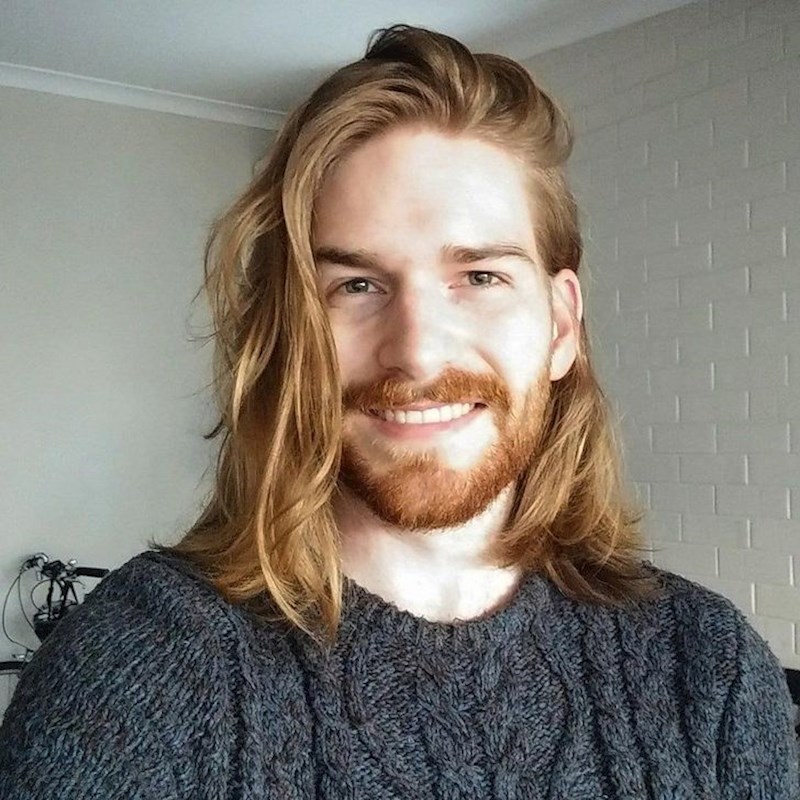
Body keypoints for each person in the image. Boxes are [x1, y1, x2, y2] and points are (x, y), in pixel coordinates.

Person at [1, 24, 797, 800]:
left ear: (560, 327)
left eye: (480, 277)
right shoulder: (136, 665)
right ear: (289, 335)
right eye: (356, 285)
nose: (416, 352)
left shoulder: (709, 667)